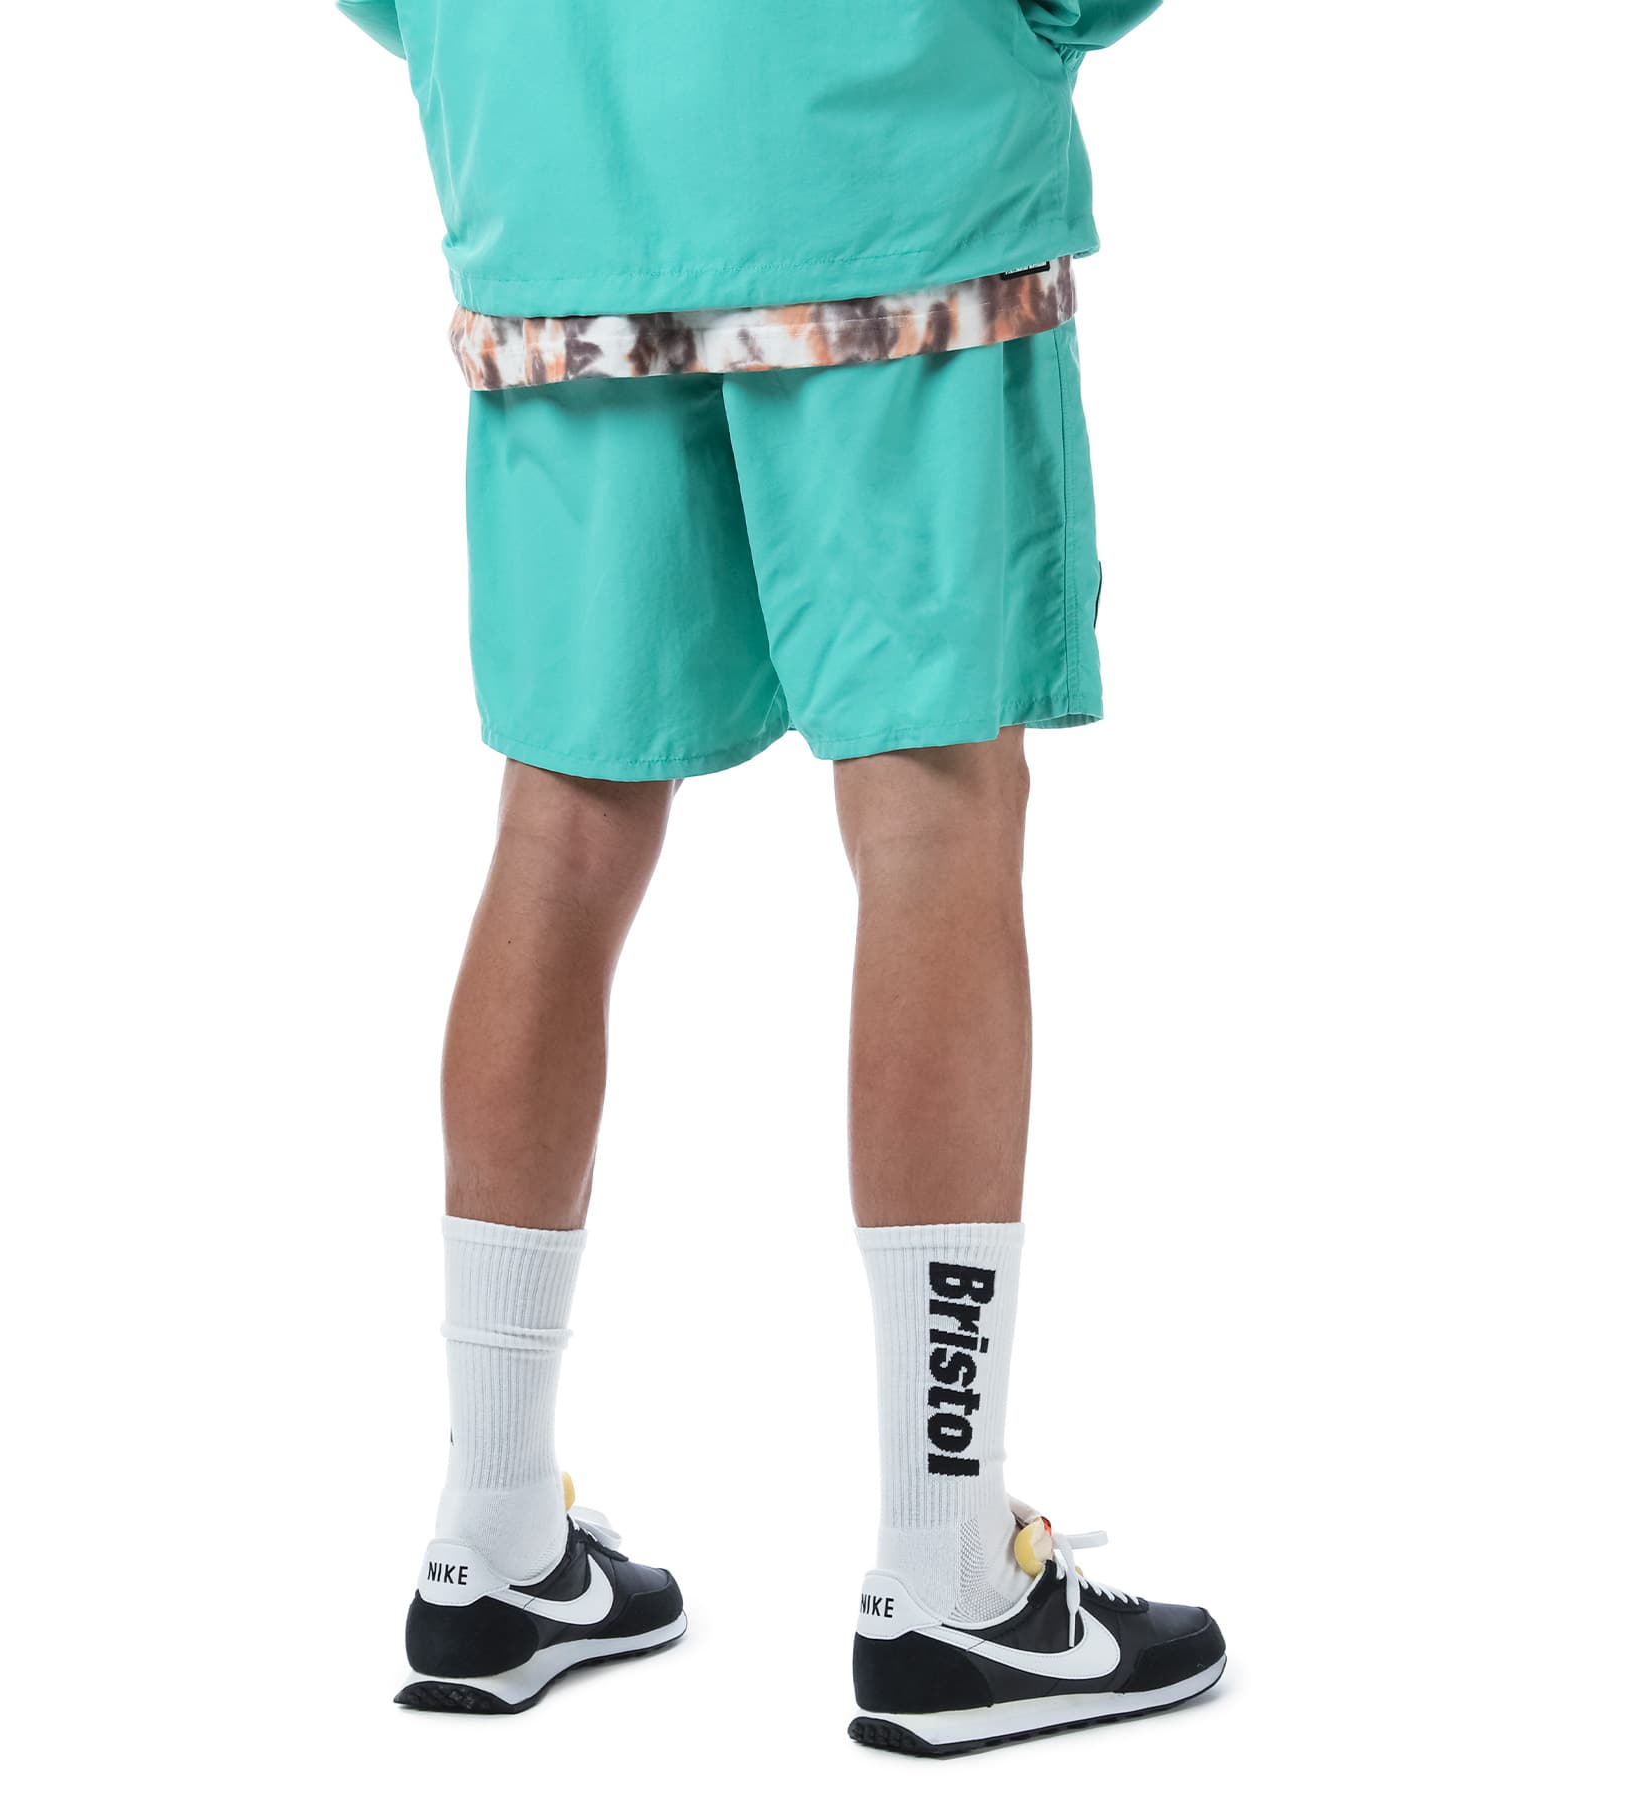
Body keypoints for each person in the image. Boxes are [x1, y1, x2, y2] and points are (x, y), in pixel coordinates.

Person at [337, 0, 1223, 1755]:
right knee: (933, 807)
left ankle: (492, 1539)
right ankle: (948, 1573)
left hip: (562, 180)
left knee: (562, 821)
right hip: (880, 161)